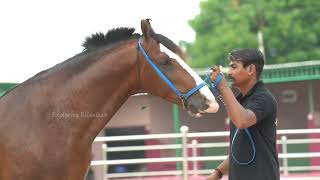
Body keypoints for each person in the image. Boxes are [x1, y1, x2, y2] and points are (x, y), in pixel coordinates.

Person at [207, 48, 279, 180]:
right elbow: (239, 150)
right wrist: (219, 171)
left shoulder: (264, 97)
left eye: (234, 67)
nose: (229, 72)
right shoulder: (240, 101)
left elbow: (242, 121)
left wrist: (223, 87)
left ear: (251, 69)